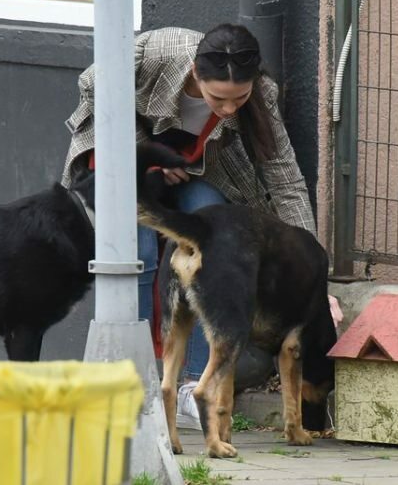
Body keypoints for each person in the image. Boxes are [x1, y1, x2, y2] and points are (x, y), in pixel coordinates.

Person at [61, 24, 316, 430]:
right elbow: (92, 81)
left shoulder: (262, 97)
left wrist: (309, 268)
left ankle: (194, 386)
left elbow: (285, 178)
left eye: (240, 98)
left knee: (215, 245)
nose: (229, 109)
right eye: (218, 98)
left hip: (197, 175)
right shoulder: (155, 54)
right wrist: (148, 153)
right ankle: (133, 379)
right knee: (137, 254)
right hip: (131, 164)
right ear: (196, 73)